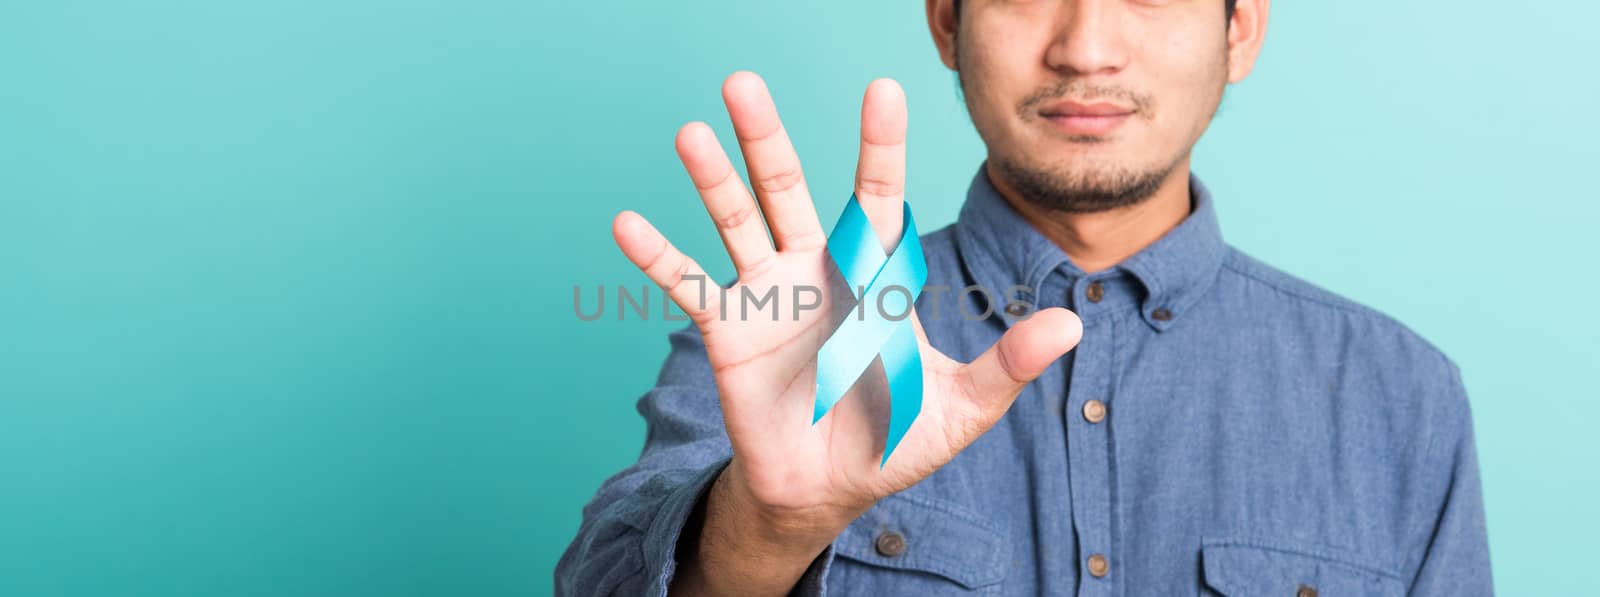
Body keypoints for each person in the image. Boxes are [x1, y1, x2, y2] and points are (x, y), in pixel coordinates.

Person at [556, 0, 1492, 594]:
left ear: (1239, 26)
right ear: (943, 23)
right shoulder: (791, 337)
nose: (1084, 46)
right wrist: (767, 530)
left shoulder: (1400, 398)